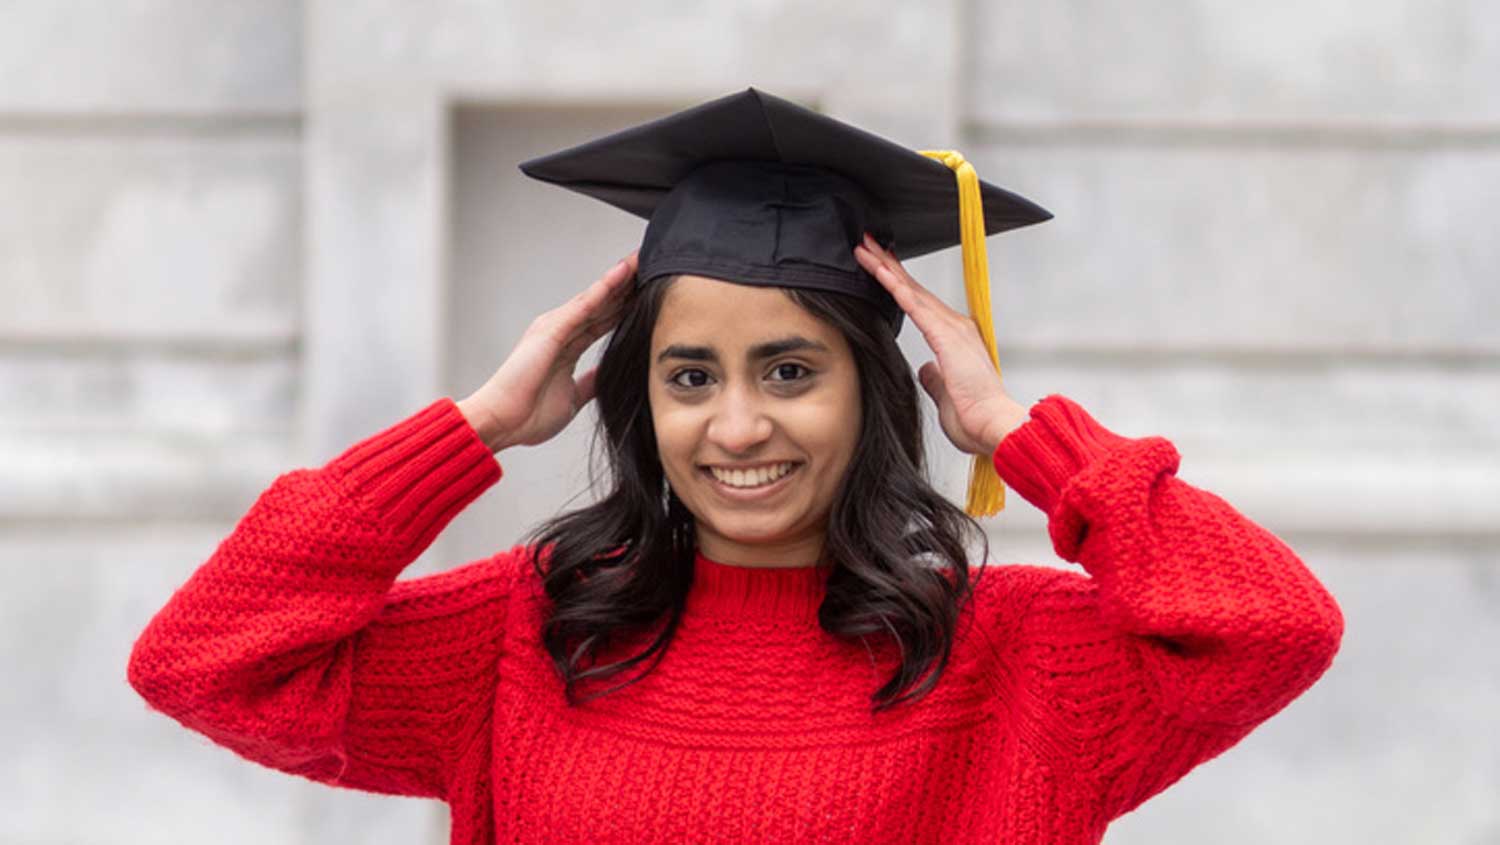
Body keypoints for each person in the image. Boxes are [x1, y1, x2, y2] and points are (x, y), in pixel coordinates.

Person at [127, 89, 1345, 844]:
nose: (738, 425)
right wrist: (478, 425)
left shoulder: (1015, 653)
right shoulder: (532, 630)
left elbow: (1272, 627)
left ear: (873, 391)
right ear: (639, 398)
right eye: (690, 376)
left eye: (791, 370)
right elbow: (205, 660)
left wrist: (1020, 432)